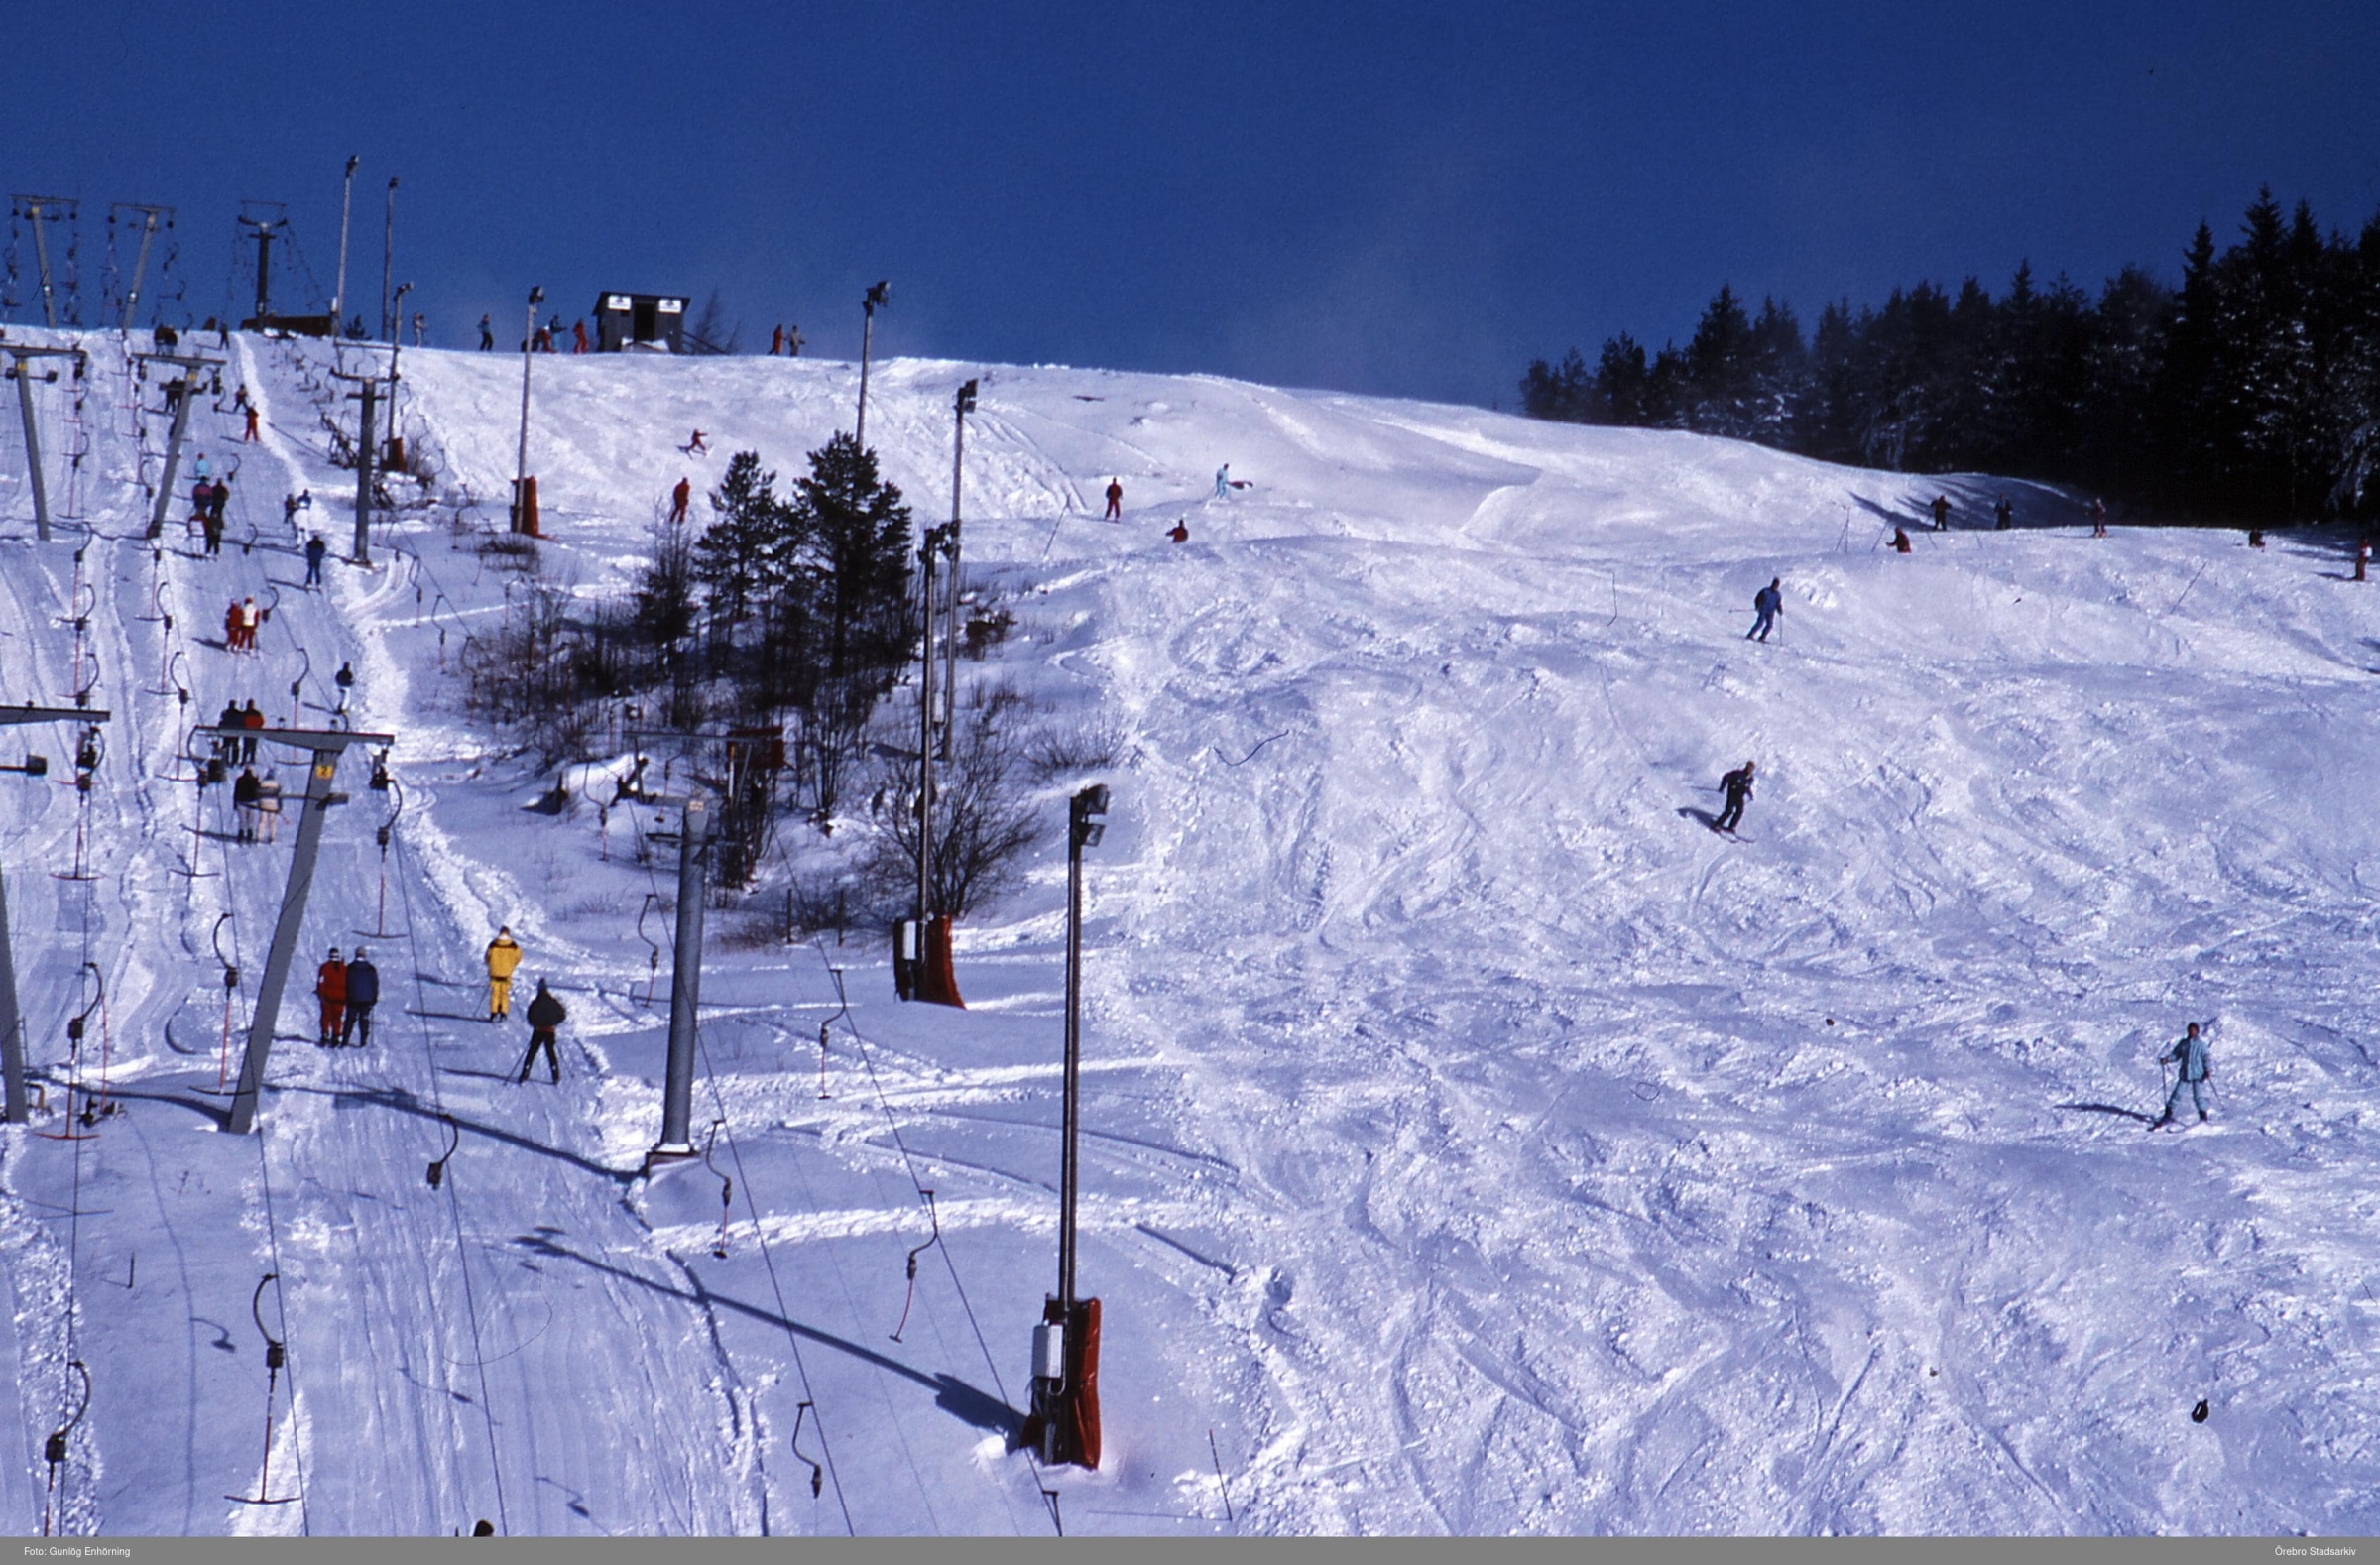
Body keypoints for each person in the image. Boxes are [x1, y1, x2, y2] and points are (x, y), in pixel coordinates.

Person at [2154, 1022, 2212, 1126]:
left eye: (2193, 1030)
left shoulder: (2201, 1045)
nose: (2191, 1032)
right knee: (2177, 1094)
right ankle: (2167, 1115)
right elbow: (2176, 1055)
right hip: (2185, 1074)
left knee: (2198, 1097)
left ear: (2197, 1032)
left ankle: (2203, 1118)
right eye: (2189, 1030)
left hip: (2198, 1074)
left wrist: (2208, 1070)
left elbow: (2206, 1058)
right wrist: (2167, 1059)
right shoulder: (2183, 1043)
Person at [520, 980, 567, 1084]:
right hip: (550, 1030)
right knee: (551, 1053)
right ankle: (556, 1075)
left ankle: (525, 1073)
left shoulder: (536, 1002)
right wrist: (554, 1022)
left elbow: (530, 1017)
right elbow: (563, 1015)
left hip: (539, 1030)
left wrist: (536, 1024)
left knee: (532, 1052)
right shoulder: (553, 1002)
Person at [340, 947, 380, 1046]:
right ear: (365, 955)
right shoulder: (371, 969)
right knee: (364, 1020)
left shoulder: (350, 968)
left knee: (350, 1020)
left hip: (352, 998)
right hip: (366, 999)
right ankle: (363, 1041)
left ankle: (345, 1040)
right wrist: (374, 997)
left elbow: (345, 983)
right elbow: (375, 984)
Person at [485, 926, 523, 1021]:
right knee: (504, 993)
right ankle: (503, 1012)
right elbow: (518, 957)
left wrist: (491, 965)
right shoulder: (513, 946)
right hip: (506, 973)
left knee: (495, 993)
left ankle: (493, 1012)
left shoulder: (493, 944)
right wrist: (511, 965)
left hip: (494, 972)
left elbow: (487, 957)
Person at [315, 948, 347, 1046]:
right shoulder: (344, 968)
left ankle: (325, 1034)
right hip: (341, 998)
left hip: (327, 997)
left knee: (326, 1016)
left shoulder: (324, 968)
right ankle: (336, 1035)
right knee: (337, 1017)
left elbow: (321, 981)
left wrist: (320, 993)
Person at [1715, 759, 1755, 834]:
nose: (1750, 769)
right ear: (1746, 766)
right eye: (1749, 767)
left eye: (1751, 768)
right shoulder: (1737, 774)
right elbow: (1726, 777)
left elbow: (1747, 787)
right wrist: (1722, 787)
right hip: (1732, 795)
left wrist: (1750, 795)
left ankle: (1732, 827)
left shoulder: (1750, 779)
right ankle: (1717, 824)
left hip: (1740, 797)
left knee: (1740, 811)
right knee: (1729, 811)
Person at [231, 766, 262, 842]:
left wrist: (235, 803)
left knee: (242, 820)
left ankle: (241, 834)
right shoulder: (254, 780)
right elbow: (258, 792)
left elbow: (236, 792)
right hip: (252, 803)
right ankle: (250, 834)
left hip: (241, 803)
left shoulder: (239, 780)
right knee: (250, 820)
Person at [1747, 577, 1782, 642]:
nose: (1776, 586)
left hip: (1771, 612)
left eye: (1777, 585)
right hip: (1763, 609)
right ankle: (1750, 634)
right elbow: (1757, 599)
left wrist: (1780, 610)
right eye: (1775, 584)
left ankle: (1762, 637)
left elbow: (1778, 604)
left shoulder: (1778, 595)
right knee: (1760, 623)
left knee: (1770, 625)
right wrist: (1758, 606)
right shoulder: (1765, 591)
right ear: (1772, 584)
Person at [256, 771, 283, 843]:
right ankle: (272, 837)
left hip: (263, 804)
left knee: (262, 821)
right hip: (273, 805)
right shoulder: (276, 785)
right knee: (272, 821)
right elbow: (279, 797)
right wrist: (279, 807)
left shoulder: (261, 784)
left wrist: (258, 804)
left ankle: (259, 837)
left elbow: (258, 794)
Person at [240, 699, 265, 763]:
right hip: (255, 731)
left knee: (246, 746)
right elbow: (262, 722)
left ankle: (244, 759)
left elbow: (241, 722)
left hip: (247, 731)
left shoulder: (244, 713)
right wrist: (258, 727)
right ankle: (252, 759)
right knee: (253, 746)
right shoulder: (257, 713)